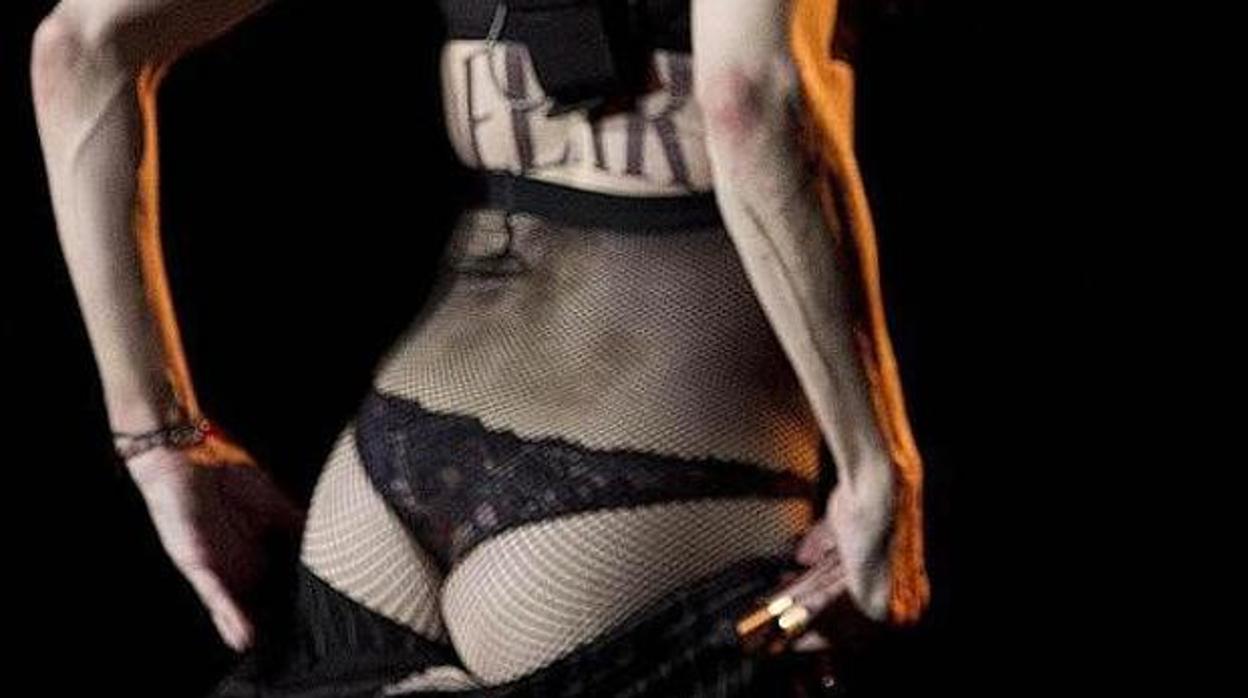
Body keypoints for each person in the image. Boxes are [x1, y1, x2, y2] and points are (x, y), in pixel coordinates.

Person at [31, 0, 929, 695]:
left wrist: (157, 442)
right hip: (648, 482)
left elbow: (80, 47)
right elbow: (748, 104)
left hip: (383, 480)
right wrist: (877, 469)